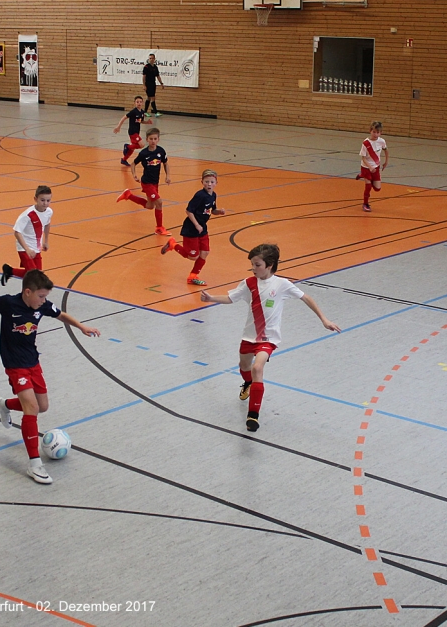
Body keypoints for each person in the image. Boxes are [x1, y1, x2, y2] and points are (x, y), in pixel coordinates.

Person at [0, 270, 100, 484]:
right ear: (27, 292)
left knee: (42, 406)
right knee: (31, 408)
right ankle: (34, 464)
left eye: (45, 297)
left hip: (33, 361)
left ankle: (4, 404)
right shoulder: (8, 303)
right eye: (40, 296)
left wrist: (81, 327)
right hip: (14, 363)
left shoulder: (42, 306)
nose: (43, 301)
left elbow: (61, 315)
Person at [200, 244, 340, 432]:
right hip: (249, 337)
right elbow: (231, 298)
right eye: (252, 265)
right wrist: (211, 298)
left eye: (257, 265)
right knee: (244, 366)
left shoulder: (282, 284)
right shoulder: (249, 283)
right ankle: (248, 383)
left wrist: (324, 319)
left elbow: (306, 297)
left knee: (257, 368)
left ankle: (253, 416)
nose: (253, 268)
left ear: (270, 265)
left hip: (268, 339)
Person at [161, 169, 225, 285]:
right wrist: (196, 225)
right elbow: (189, 211)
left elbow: (212, 210)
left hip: (202, 228)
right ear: (202, 182)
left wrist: (219, 211)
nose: (209, 184)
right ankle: (173, 245)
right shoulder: (200, 195)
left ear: (216, 183)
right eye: (206, 182)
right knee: (193, 257)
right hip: (191, 229)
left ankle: (193, 276)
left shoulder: (213, 195)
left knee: (205, 252)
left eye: (212, 182)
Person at [116, 127, 171, 235]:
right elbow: (133, 164)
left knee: (150, 206)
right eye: (151, 139)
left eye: (155, 139)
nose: (153, 141)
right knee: (159, 202)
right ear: (147, 139)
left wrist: (168, 176)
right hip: (146, 182)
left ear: (158, 139)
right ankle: (159, 228)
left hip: (155, 182)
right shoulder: (144, 153)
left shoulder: (161, 151)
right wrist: (134, 175)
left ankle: (128, 195)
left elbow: (165, 164)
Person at [1, 186, 52, 286]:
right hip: (24, 247)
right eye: (42, 200)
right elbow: (17, 232)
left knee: (37, 275)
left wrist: (46, 241)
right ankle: (25, 294)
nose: (45, 203)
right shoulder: (27, 215)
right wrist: (27, 249)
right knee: (34, 277)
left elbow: (47, 224)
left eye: (48, 200)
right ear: (35, 199)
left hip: (36, 247)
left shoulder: (49, 211)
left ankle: (10, 271)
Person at [355, 121, 387, 212]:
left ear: (380, 133)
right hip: (366, 167)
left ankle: (361, 175)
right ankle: (365, 204)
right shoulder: (366, 143)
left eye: (377, 132)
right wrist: (370, 167)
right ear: (370, 131)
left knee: (377, 188)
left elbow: (386, 150)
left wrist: (386, 162)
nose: (375, 134)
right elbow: (363, 158)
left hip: (376, 167)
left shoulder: (382, 141)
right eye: (374, 132)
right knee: (368, 186)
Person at [113, 96, 152, 166]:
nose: (139, 103)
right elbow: (124, 118)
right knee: (142, 145)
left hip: (137, 132)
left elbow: (140, 121)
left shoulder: (142, 112)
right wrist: (118, 127)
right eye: (137, 102)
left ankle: (124, 160)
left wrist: (147, 122)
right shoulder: (133, 112)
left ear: (142, 103)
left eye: (140, 102)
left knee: (133, 148)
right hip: (132, 132)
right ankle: (127, 146)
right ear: (134, 103)